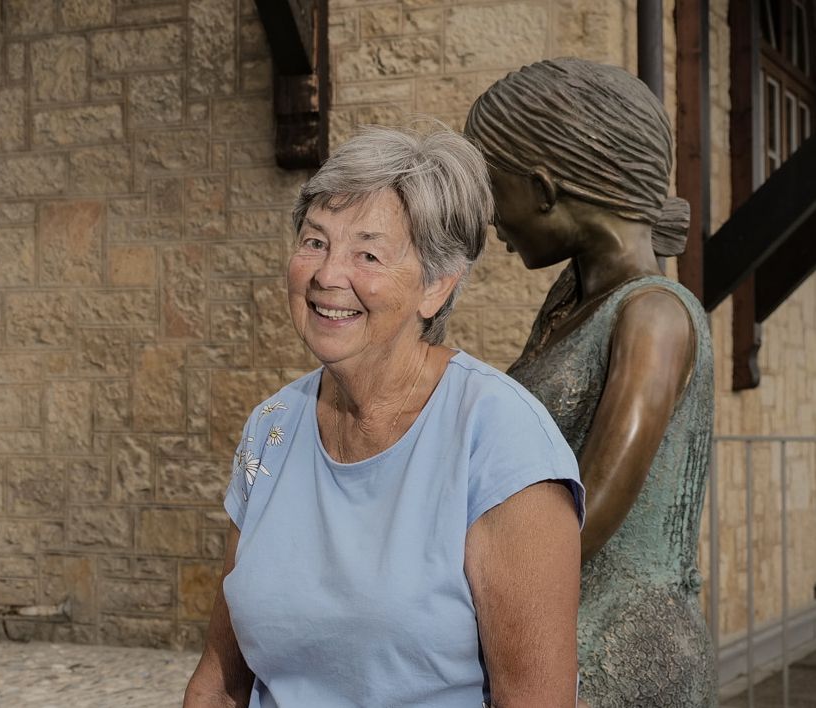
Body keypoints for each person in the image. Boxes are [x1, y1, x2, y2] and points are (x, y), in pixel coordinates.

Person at [183, 124, 585, 708]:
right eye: (315, 241)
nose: (327, 275)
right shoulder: (270, 428)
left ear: (435, 288)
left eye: (367, 253)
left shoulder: (500, 440)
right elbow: (219, 684)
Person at [464, 58, 716, 706]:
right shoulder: (569, 301)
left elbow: (588, 513)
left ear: (545, 189)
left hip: (619, 658)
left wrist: (442, 586)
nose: (493, 222)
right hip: (551, 638)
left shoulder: (654, 316)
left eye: (496, 191)